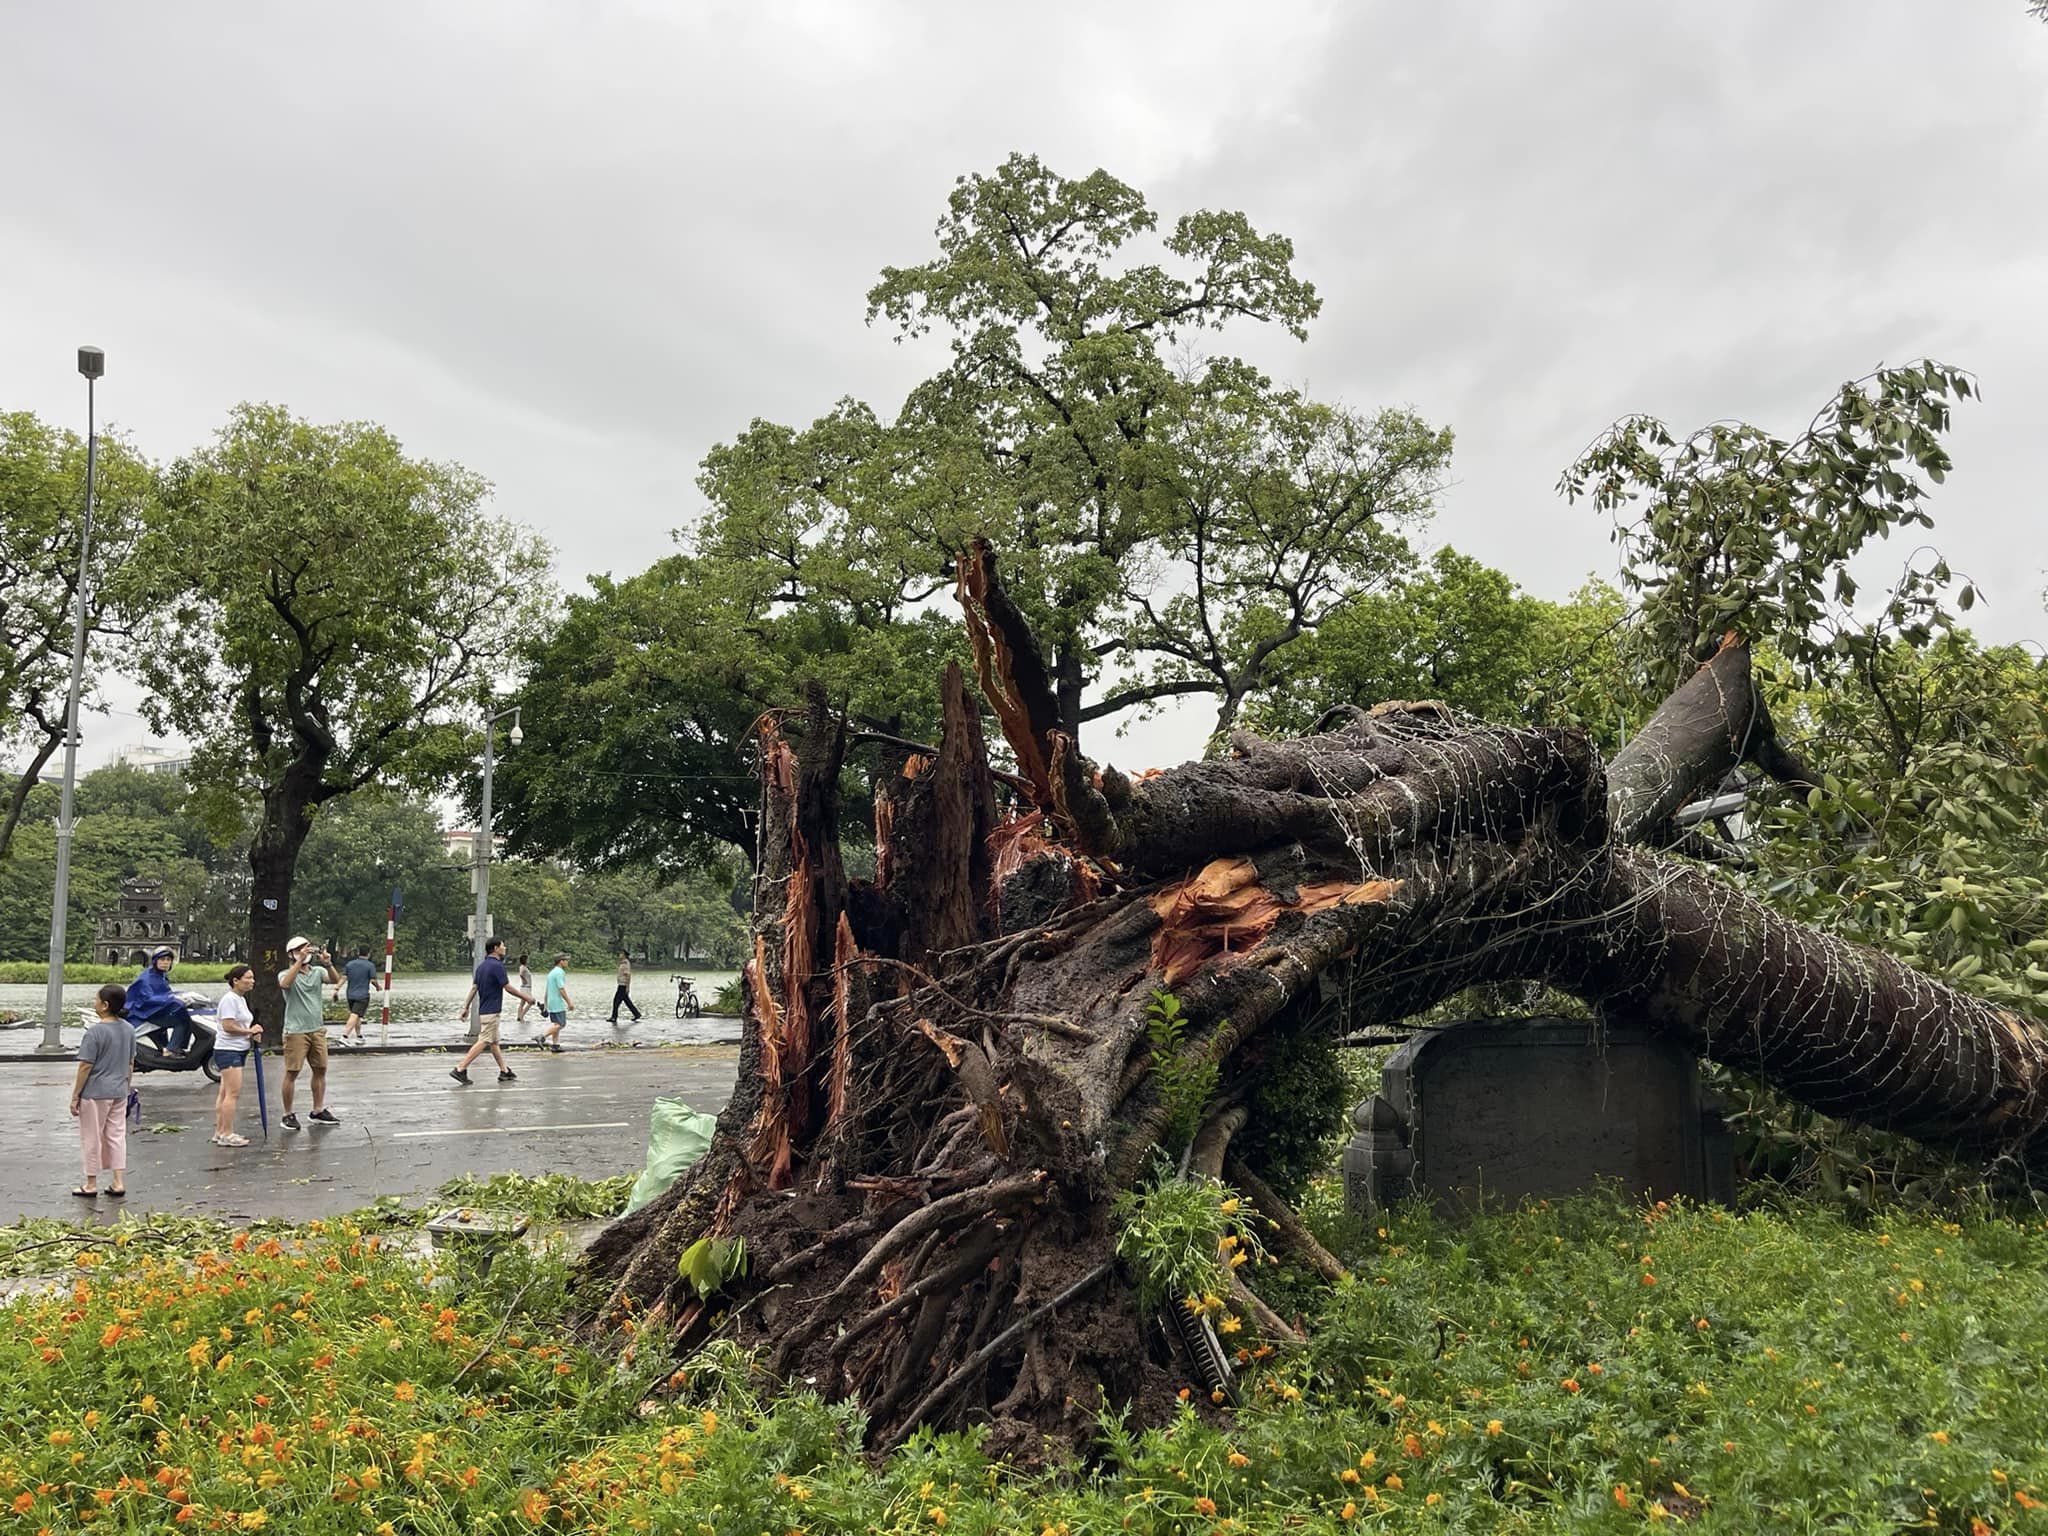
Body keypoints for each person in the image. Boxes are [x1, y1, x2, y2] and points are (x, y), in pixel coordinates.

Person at [69, 983, 135, 1199]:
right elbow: (130, 1062)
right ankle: (118, 1181)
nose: (93, 1003)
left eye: (96, 999)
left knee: (92, 1137)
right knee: (116, 1136)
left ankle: (90, 1183)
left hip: (95, 1092)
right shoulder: (129, 1029)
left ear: (105, 1005)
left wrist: (76, 1095)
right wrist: (126, 1086)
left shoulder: (95, 1032)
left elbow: (85, 1065)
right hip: (119, 1090)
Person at [451, 937, 536, 1085]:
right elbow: (508, 987)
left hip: (484, 1011)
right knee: (485, 1040)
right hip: (492, 1011)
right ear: (496, 948)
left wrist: (466, 1007)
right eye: (503, 946)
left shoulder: (481, 967)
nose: (505, 948)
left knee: (494, 1042)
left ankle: (504, 1071)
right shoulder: (497, 966)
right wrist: (527, 998)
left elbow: (473, 988)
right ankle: (460, 1068)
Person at [278, 936, 342, 1131]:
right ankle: (287, 1114)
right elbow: (285, 984)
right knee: (292, 1072)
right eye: (299, 950)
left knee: (320, 1069)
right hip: (295, 1031)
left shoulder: (317, 972)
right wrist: (298, 962)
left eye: (306, 949)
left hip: (316, 1028)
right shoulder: (285, 973)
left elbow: (334, 979)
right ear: (291, 954)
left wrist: (328, 963)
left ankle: (317, 1110)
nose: (305, 953)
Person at [211, 965, 258, 1147]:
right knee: (233, 1093)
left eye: (252, 978)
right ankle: (227, 1134)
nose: (251, 981)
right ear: (235, 980)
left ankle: (220, 1131)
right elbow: (228, 1026)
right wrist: (249, 1031)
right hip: (228, 1049)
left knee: (224, 1092)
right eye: (247, 978)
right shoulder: (230, 999)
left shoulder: (240, 999)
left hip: (237, 1048)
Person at [127, 946, 199, 1057]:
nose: (165, 963)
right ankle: (172, 1049)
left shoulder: (160, 976)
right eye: (162, 959)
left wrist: (181, 996)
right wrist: (172, 999)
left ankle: (170, 1046)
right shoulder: (146, 978)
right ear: (155, 961)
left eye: (168, 960)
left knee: (181, 1012)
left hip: (156, 1010)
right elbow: (147, 999)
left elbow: (164, 993)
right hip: (146, 1013)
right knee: (182, 1021)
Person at [339, 945, 378, 1044]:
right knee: (355, 1015)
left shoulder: (350, 964)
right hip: (362, 995)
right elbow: (373, 980)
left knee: (357, 1016)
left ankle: (359, 1036)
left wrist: (337, 988)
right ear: (368, 954)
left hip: (350, 994)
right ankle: (344, 1036)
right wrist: (378, 986)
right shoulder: (370, 965)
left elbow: (343, 977)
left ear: (358, 953)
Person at [540, 952, 573, 1053]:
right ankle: (542, 1037)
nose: (567, 962)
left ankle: (555, 1045)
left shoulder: (551, 973)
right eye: (566, 960)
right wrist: (569, 1002)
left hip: (551, 1002)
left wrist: (545, 1004)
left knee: (556, 1024)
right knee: (561, 1024)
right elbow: (561, 989)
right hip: (557, 1002)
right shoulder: (559, 972)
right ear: (561, 961)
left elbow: (547, 990)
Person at [609, 951, 641, 1024]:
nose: (619, 955)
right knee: (627, 1001)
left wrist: (627, 986)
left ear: (624, 955)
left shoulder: (625, 964)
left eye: (621, 954)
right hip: (621, 984)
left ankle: (614, 1017)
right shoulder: (622, 963)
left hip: (623, 985)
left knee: (616, 1001)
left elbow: (628, 975)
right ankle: (636, 1014)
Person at [515, 953, 535, 1024]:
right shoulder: (523, 967)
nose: (528, 960)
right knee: (531, 1002)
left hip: (526, 988)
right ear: (525, 960)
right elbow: (521, 974)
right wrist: (524, 980)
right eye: (527, 959)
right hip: (526, 988)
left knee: (522, 1003)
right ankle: (521, 1016)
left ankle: (518, 1017)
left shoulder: (524, 967)